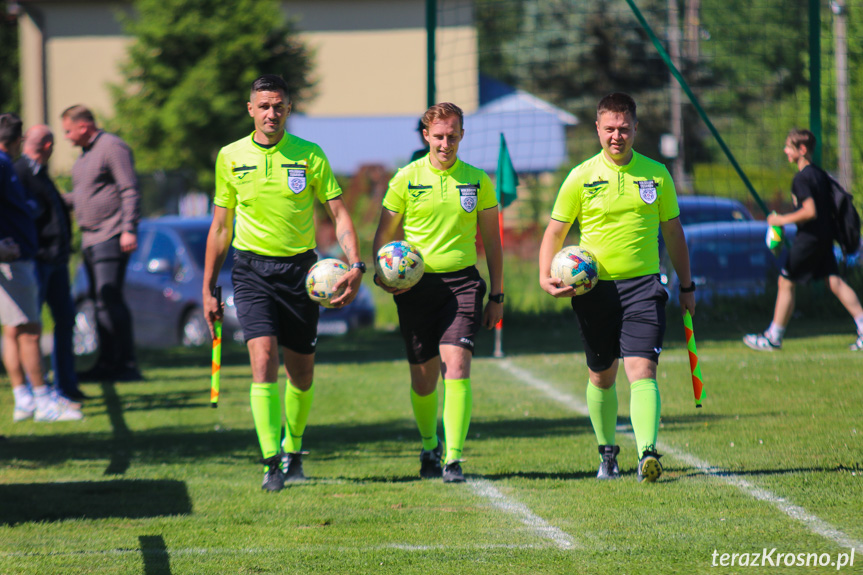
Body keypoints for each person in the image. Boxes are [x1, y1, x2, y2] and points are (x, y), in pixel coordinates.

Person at [203, 74, 365, 492]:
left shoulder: (309, 155)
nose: (271, 113)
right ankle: (270, 462)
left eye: (278, 106)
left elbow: (339, 213)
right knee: (262, 362)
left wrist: (356, 265)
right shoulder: (230, 156)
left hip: (302, 274)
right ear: (251, 109)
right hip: (251, 271)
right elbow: (220, 228)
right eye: (264, 106)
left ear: (288, 109)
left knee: (302, 374)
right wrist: (207, 289)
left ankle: (293, 448)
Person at [538, 93, 694, 483]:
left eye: (624, 128)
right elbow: (555, 231)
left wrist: (686, 284)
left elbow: (673, 233)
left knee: (642, 370)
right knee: (601, 376)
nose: (617, 136)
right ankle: (607, 454)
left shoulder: (656, 174)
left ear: (636, 128)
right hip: (593, 290)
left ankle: (647, 454)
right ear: (597, 129)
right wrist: (545, 276)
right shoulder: (580, 176)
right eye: (609, 128)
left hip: (643, 286)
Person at [373, 102, 503, 483]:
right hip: (414, 288)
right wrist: (384, 273)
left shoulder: (478, 180)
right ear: (426, 136)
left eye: (452, 135)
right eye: (439, 136)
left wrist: (497, 295)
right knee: (423, 378)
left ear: (462, 135)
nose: (446, 143)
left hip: (462, 285)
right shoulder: (405, 178)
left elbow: (493, 243)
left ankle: (454, 459)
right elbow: (383, 236)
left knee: (457, 367)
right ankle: (430, 445)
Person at [744, 129, 863, 352]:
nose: (785, 150)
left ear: (802, 150)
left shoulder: (802, 178)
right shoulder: (820, 175)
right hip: (824, 237)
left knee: (785, 282)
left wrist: (779, 220)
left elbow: (810, 211)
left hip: (809, 238)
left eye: (789, 146)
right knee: (834, 281)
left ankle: (773, 337)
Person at [1, 113, 83, 422]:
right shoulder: (6, 164)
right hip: (18, 260)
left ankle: (26, 398)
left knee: (18, 329)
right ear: (18, 141)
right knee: (28, 332)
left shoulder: (11, 165)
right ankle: (40, 398)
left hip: (24, 258)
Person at [61, 105, 141, 382]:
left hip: (111, 235)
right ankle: (107, 363)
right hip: (90, 238)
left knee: (109, 299)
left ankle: (125, 364)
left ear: (84, 126)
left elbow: (129, 189)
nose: (67, 138)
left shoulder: (111, 147)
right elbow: (86, 195)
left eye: (69, 131)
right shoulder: (84, 156)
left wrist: (128, 229)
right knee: (99, 302)